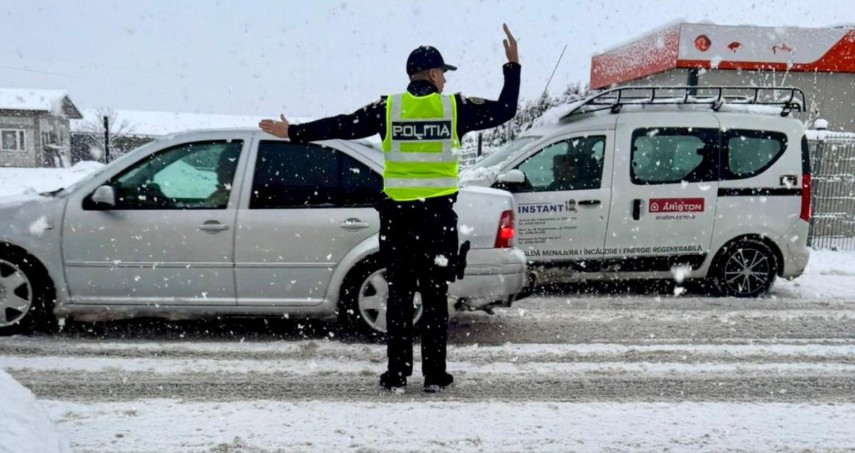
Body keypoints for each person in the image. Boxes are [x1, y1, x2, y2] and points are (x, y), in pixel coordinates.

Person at [259, 23, 520, 394]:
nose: (444, 80)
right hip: (437, 219)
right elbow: (507, 110)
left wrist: (295, 132)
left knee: (398, 296)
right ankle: (434, 377)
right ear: (432, 73)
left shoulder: (388, 108)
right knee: (433, 297)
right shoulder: (454, 108)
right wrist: (512, 67)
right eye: (443, 73)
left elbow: (342, 125)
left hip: (399, 220)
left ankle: (396, 374)